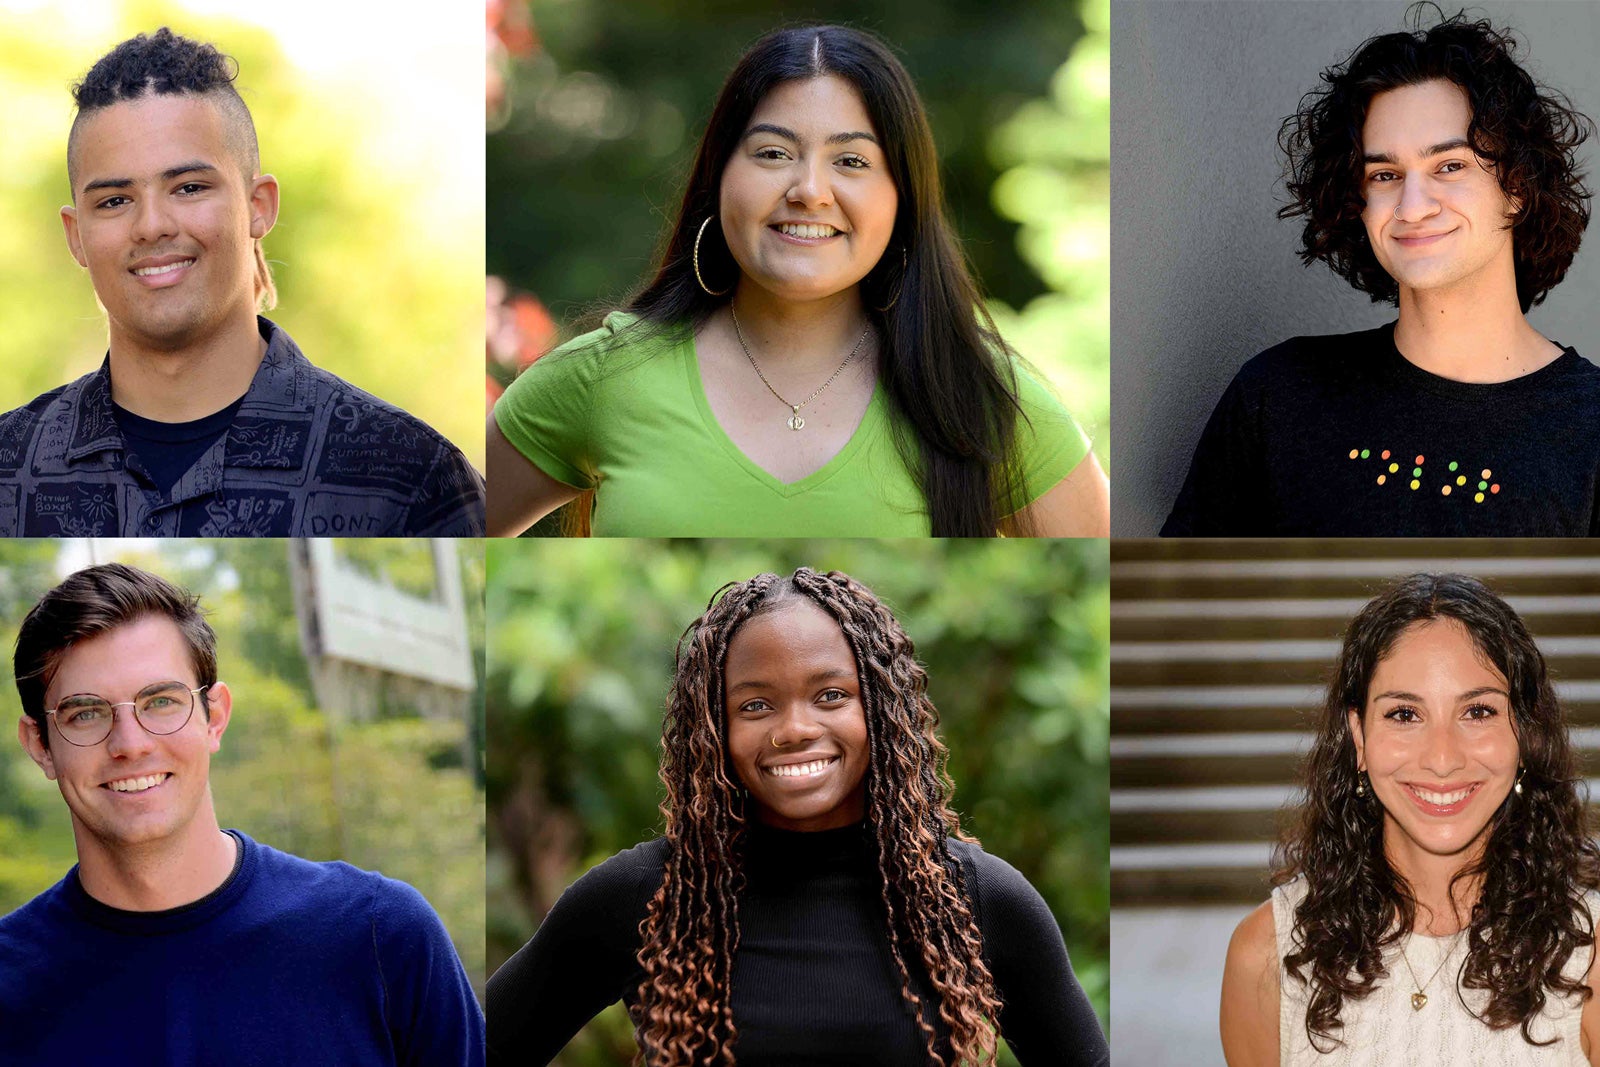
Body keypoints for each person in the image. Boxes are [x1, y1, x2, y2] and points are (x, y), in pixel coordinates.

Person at [488, 25, 1109, 537]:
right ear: (719, 178)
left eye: (852, 161)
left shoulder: (982, 397)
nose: (809, 190)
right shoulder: (605, 377)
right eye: (772, 153)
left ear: (902, 200)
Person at [486, 568, 1108, 1065]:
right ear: (713, 729)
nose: (795, 730)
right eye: (756, 705)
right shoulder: (644, 899)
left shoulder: (976, 898)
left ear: (882, 713)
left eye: (830, 696)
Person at [0, 28, 485, 536]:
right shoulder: (12, 465)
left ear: (259, 206)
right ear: (76, 235)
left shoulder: (409, 477)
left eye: (188, 188)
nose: (152, 225)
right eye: (115, 201)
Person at [0, 563, 486, 1064]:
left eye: (161, 701)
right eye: (86, 713)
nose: (130, 744)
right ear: (40, 745)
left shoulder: (382, 937)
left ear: (215, 717)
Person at [1163, 10, 1600, 536]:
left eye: (1450, 166)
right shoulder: (1278, 395)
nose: (1412, 206)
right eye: (1386, 174)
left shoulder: (1590, 424)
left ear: (1519, 188)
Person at [1219, 573, 1600, 1065]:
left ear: (1524, 735)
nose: (1442, 759)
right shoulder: (1265, 956)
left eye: (1478, 711)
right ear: (1359, 737)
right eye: (1404, 715)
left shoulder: (1589, 956)